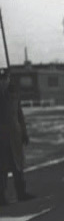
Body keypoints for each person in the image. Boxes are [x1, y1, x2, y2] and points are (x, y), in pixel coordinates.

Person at [0, 67, 34, 206]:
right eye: (1, 79)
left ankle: (21, 193)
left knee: (18, 166)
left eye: (5, 78)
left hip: (15, 135)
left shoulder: (14, 94)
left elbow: (20, 115)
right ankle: (1, 197)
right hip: (1, 138)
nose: (3, 81)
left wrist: (24, 133)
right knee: (1, 168)